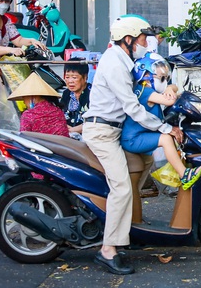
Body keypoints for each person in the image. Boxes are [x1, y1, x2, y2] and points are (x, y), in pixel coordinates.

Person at [82, 15, 165, 276]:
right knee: (121, 187)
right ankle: (108, 250)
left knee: (146, 162)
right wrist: (161, 127)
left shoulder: (124, 59)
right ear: (128, 40)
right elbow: (131, 106)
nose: (144, 43)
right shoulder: (115, 64)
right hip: (102, 133)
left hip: (115, 131)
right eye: (142, 39)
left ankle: (124, 223)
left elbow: (151, 77)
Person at [121, 53, 201, 190]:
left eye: (167, 78)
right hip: (132, 139)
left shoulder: (147, 89)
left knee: (169, 138)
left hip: (139, 135)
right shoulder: (145, 91)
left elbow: (174, 88)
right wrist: (170, 89)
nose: (165, 81)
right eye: (162, 78)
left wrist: (169, 88)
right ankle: (184, 175)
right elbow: (170, 99)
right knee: (166, 139)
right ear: (146, 76)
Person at [8, 72, 70, 137]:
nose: (24, 102)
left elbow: (23, 138)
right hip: (63, 146)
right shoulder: (58, 111)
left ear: (33, 97)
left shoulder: (28, 115)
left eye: (24, 99)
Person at [60, 61, 91, 139]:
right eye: (67, 77)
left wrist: (74, 130)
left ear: (85, 77)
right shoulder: (66, 93)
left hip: (88, 136)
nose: (70, 81)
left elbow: (96, 121)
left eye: (74, 77)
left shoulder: (93, 93)